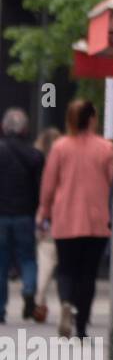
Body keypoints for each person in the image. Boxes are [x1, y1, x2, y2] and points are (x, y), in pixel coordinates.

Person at [37, 100, 113, 338]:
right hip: (96, 221)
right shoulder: (106, 148)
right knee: (88, 273)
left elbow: (48, 185)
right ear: (92, 119)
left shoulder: (60, 147)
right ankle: (81, 324)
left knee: (67, 270)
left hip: (65, 218)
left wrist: (43, 212)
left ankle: (66, 302)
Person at [0, 108, 45, 324]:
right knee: (28, 258)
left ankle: (0, 310)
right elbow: (40, 188)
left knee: (1, 262)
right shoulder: (35, 156)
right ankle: (28, 289)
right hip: (25, 216)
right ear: (25, 129)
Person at [31, 126, 62, 323]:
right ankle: (70, 301)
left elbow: (43, 193)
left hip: (49, 218)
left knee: (45, 262)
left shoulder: (38, 162)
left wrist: (41, 216)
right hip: (71, 220)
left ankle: (39, 299)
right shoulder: (68, 161)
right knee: (70, 268)